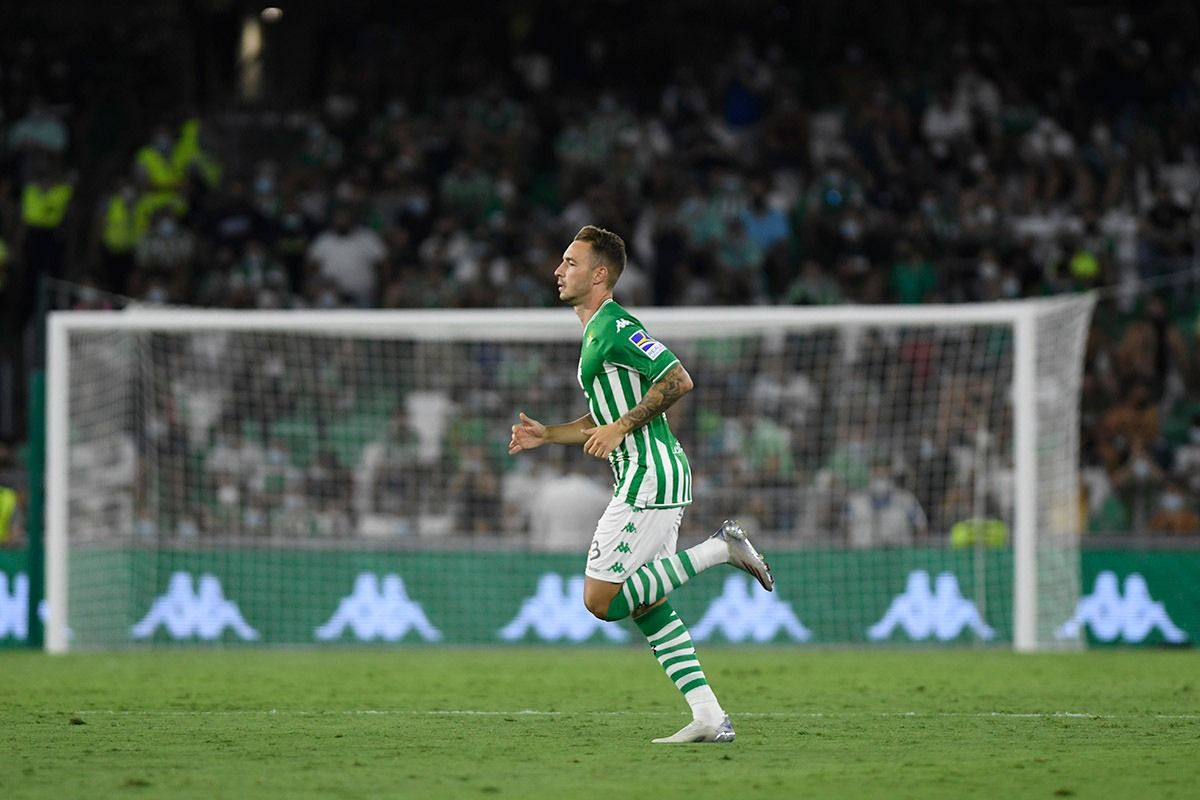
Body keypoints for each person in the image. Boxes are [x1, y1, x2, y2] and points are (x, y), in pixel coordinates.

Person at [508, 225, 774, 744]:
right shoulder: (593, 333)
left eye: (570, 262)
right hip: (647, 474)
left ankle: (720, 550)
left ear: (599, 274)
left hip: (649, 475)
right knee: (648, 606)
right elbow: (601, 416)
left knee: (601, 599)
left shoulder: (616, 325)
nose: (558, 271)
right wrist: (550, 434)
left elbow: (677, 378)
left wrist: (621, 427)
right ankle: (707, 716)